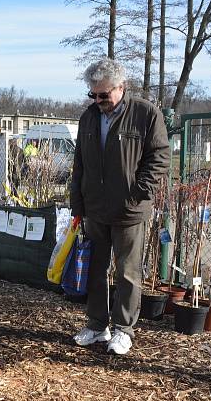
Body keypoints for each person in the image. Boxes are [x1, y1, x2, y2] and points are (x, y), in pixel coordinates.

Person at [69, 58, 170, 355]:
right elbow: (80, 165)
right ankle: (98, 325)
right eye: (94, 95)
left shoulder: (145, 114)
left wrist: (139, 191)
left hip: (129, 209)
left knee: (127, 271)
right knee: (95, 270)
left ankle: (124, 329)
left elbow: (160, 156)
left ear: (121, 88)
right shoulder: (88, 117)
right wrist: (78, 204)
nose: (99, 100)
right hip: (95, 208)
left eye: (104, 95)